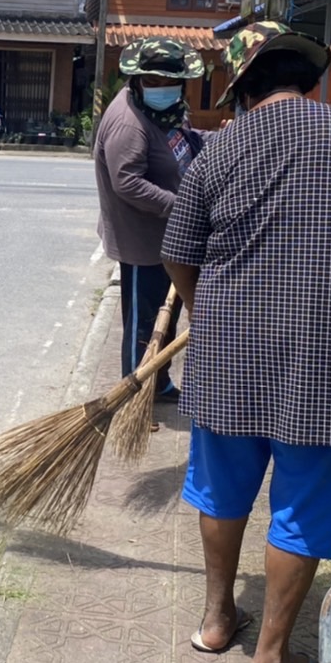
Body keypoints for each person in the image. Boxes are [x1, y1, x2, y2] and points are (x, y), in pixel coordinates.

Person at [160, 21, 331, 663]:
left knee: (222, 494)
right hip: (324, 359)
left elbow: (176, 251)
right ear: (311, 79)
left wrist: (208, 316)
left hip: (228, 357)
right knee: (302, 506)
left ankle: (217, 619)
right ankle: (271, 657)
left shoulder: (217, 151)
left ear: (244, 88)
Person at [92, 36, 206, 399]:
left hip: (169, 237)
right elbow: (127, 182)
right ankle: (134, 391)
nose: (161, 88)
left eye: (169, 83)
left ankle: (158, 381)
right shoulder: (129, 123)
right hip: (143, 240)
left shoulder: (165, 109)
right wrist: (180, 206)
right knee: (144, 322)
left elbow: (184, 140)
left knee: (166, 317)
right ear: (138, 80)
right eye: (152, 81)